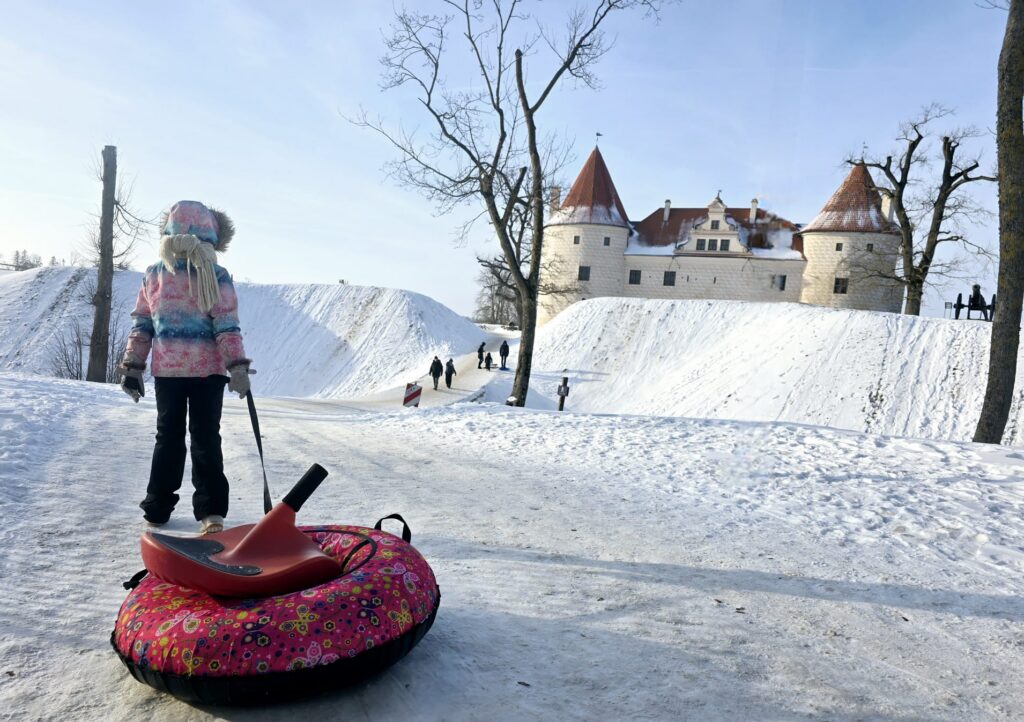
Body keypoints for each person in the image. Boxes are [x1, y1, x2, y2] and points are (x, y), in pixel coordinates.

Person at [119, 201, 251, 535]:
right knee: (205, 438)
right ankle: (210, 512)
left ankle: (158, 507)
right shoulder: (214, 275)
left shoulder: (156, 274)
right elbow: (226, 324)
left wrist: (134, 365)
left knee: (169, 437)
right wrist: (235, 365)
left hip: (173, 372)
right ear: (212, 238)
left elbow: (143, 324)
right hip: (204, 373)